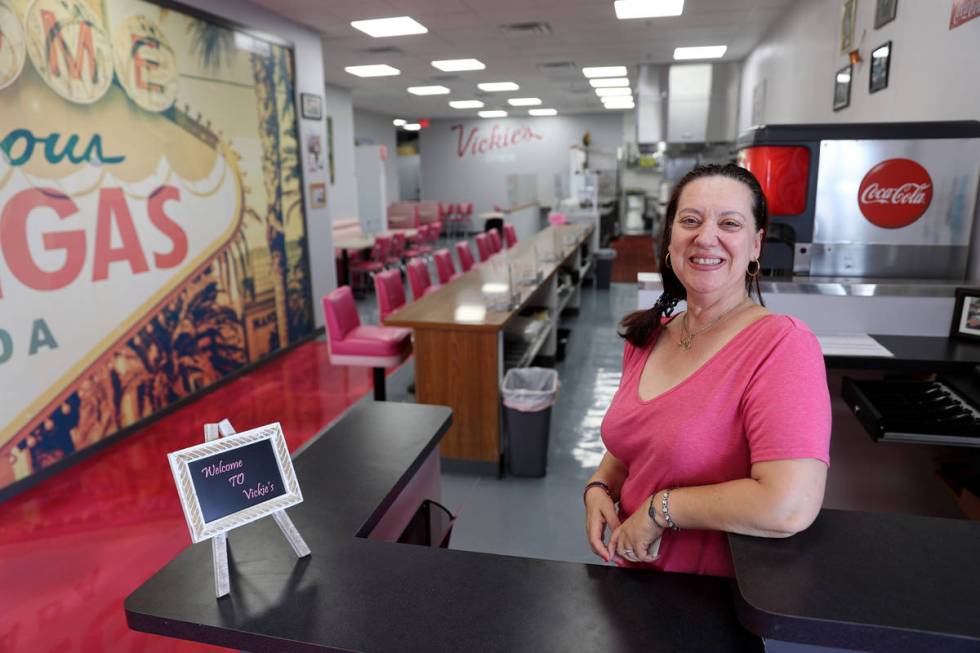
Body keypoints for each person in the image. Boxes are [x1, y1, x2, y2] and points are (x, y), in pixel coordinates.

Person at [584, 163, 831, 577]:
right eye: (691, 220)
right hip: (631, 579)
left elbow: (789, 505)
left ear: (755, 245)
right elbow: (638, 442)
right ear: (670, 239)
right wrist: (598, 487)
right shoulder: (651, 335)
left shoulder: (781, 346)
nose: (706, 237)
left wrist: (660, 510)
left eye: (729, 223)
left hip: (706, 596)